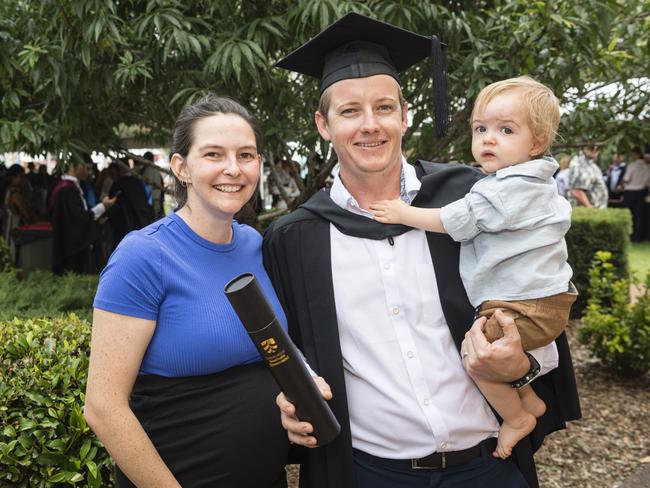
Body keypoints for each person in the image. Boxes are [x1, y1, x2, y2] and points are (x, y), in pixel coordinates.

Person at [264, 13, 580, 488]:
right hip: (369, 474)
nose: (370, 125)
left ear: (405, 114)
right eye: (350, 111)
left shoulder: (472, 199)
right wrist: (288, 403)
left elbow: (540, 289)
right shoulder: (297, 237)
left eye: (384, 107)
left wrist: (524, 365)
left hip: (487, 466)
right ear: (323, 124)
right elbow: (292, 357)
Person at [84, 96, 289, 488]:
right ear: (181, 168)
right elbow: (103, 407)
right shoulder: (143, 255)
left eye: (246, 155)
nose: (233, 168)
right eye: (214, 154)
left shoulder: (253, 245)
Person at [369, 76, 577, 459]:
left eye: (505, 130)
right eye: (480, 128)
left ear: (537, 143)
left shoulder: (502, 189)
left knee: (475, 356)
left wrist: (403, 212)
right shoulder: (538, 180)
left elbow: (458, 220)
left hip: (521, 305)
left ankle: (517, 416)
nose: (488, 139)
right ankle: (529, 393)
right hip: (546, 300)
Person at [49, 157, 116, 275]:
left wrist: (96, 220)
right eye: (87, 168)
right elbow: (78, 220)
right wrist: (103, 207)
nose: (90, 172)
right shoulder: (67, 190)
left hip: (72, 242)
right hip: (71, 247)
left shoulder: (72, 187)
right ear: (74, 166)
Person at [621, 147, 650, 241]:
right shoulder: (647, 166)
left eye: (632, 154)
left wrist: (621, 186)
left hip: (630, 192)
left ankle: (625, 235)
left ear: (637, 154)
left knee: (626, 214)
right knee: (639, 216)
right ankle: (637, 237)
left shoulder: (632, 165)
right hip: (642, 192)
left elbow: (626, 179)